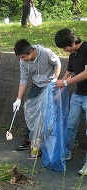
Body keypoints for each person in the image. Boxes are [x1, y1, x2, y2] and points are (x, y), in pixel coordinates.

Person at [13, 39, 61, 151]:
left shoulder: (45, 52)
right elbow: (23, 79)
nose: (22, 60)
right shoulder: (23, 62)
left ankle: (44, 142)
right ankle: (29, 140)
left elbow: (57, 63)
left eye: (24, 57)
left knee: (46, 114)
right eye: (20, 57)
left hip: (49, 86)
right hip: (36, 86)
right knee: (30, 111)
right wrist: (18, 99)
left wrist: (55, 78)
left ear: (31, 51)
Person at [54, 28, 87, 175]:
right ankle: (66, 153)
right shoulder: (73, 54)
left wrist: (66, 84)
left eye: (65, 47)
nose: (64, 50)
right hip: (78, 95)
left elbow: (86, 73)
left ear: (73, 42)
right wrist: (58, 89)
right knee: (70, 125)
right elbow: (68, 73)